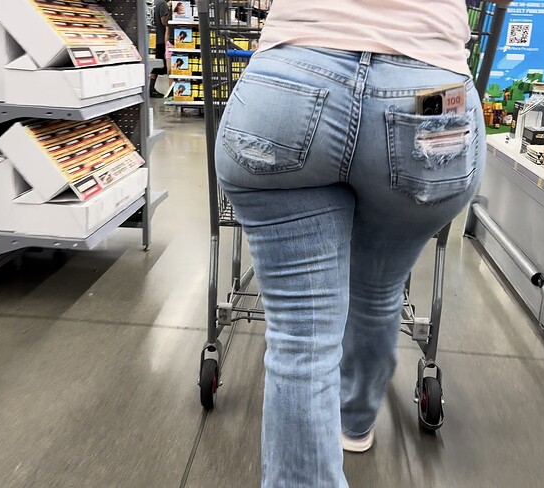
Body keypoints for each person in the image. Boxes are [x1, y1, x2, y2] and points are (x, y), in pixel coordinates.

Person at [214, 1, 511, 486]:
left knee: (301, 337)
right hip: (431, 98)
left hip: (287, 87)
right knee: (377, 291)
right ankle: (353, 422)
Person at [150, 0, 170, 98]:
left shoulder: (154, 2)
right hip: (161, 38)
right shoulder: (162, 4)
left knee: (155, 63)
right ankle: (151, 88)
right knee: (159, 64)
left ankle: (151, 87)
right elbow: (164, 21)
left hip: (154, 37)